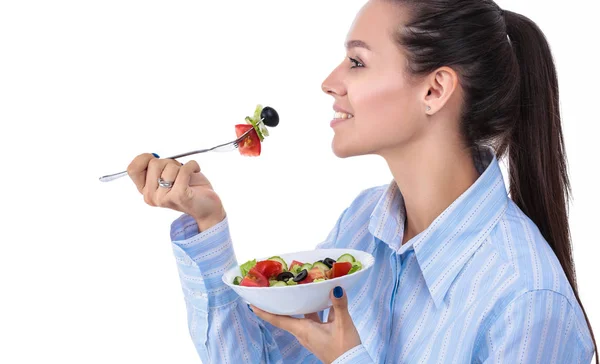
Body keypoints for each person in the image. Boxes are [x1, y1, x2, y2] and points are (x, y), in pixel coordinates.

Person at [126, 0, 597, 362]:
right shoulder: (363, 223)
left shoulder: (526, 302)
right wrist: (208, 223)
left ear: (435, 90)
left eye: (357, 62)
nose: (330, 82)